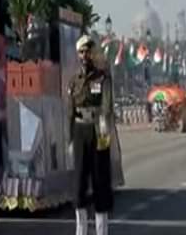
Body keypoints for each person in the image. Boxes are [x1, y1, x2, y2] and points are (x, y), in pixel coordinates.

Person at [67, 35, 114, 235]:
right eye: (81, 52)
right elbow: (70, 110)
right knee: (78, 184)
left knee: (100, 182)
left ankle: (102, 231)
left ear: (93, 53)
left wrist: (104, 130)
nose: (85, 55)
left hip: (97, 130)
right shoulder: (74, 80)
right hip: (79, 131)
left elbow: (106, 106)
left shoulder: (102, 78)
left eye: (88, 51)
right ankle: (81, 231)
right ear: (78, 55)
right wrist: (69, 139)